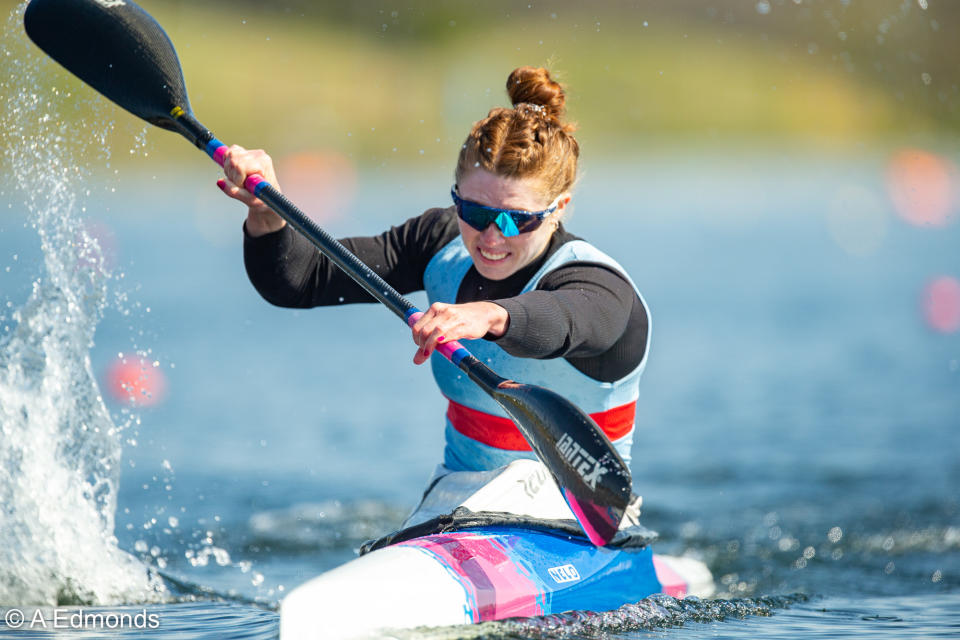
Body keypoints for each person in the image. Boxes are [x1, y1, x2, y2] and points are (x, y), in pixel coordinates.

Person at [218, 66, 650, 505]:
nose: (491, 236)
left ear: (559, 209)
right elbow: (299, 280)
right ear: (456, 195)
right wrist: (267, 215)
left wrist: (487, 315)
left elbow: (564, 322)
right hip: (453, 506)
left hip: (578, 522)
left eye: (515, 219)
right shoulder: (437, 242)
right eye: (475, 212)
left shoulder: (599, 287)